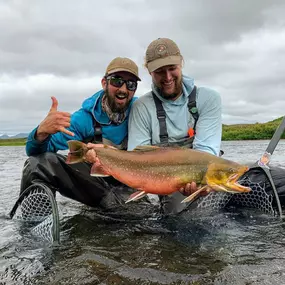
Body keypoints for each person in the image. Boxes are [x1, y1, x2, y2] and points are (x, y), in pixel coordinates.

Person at [19, 57, 146, 210]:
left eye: (131, 84)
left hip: (132, 188)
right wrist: (41, 133)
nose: (123, 89)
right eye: (117, 81)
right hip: (96, 187)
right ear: (104, 83)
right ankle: (34, 226)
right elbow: (35, 153)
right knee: (37, 165)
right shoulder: (84, 119)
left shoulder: (143, 112)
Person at [127, 38, 222, 214]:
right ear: (150, 72)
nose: (168, 77)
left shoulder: (209, 99)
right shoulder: (141, 106)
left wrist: (201, 182)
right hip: (159, 178)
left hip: (198, 173)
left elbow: (206, 152)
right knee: (175, 215)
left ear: (181, 64)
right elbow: (137, 157)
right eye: (160, 71)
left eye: (172, 68)